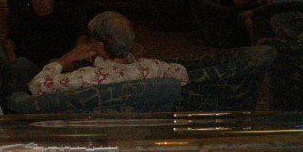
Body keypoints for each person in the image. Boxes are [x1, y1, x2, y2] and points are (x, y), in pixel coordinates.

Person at [28, 11, 188, 96]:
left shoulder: (87, 77)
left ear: (100, 45)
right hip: (139, 132)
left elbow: (36, 86)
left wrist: (64, 60)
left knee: (21, 65)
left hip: (96, 138)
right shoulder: (152, 68)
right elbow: (182, 73)